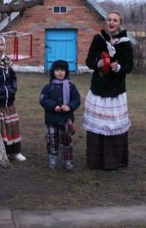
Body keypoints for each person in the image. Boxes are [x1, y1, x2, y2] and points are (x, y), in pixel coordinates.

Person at [83, 11, 134, 170]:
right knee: (98, 125)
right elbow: (89, 61)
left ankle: (113, 161)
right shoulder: (98, 39)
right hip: (98, 89)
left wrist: (118, 67)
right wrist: (98, 64)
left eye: (115, 20)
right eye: (109, 20)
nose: (111, 23)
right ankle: (95, 161)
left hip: (115, 91)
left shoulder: (125, 43)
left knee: (112, 125)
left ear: (120, 23)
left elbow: (129, 67)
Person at [39, 59, 81, 171]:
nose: (60, 72)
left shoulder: (71, 86)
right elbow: (43, 99)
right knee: (52, 139)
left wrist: (70, 106)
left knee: (66, 140)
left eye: (62, 70)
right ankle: (52, 158)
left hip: (65, 119)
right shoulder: (48, 87)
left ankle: (67, 161)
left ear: (66, 72)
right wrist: (54, 106)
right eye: (57, 70)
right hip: (52, 119)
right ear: (53, 71)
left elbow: (76, 99)